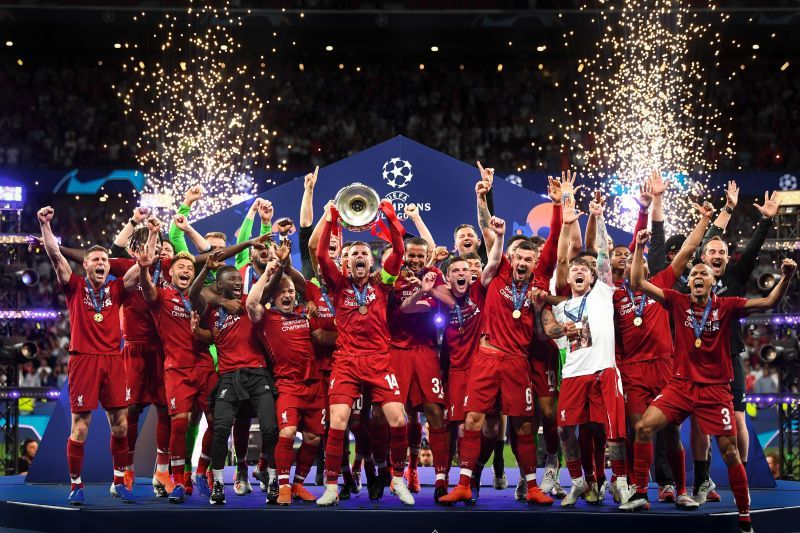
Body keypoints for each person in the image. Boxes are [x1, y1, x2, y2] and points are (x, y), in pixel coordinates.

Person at [623, 228, 796, 533]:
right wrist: (639, 248)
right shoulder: (676, 301)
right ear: (688, 282)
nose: (698, 276)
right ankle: (639, 492)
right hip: (680, 385)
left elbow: (768, 301)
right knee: (643, 427)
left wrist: (787, 277)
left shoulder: (727, 306)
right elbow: (637, 281)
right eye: (694, 274)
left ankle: (744, 513)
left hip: (716, 391)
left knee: (729, 450)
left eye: (704, 274)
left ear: (714, 282)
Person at [440, 216, 554, 506]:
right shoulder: (499, 271)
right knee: (474, 420)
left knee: (524, 426)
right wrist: (483, 202)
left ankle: (532, 487)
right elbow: (490, 239)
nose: (523, 263)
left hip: (518, 362)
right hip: (487, 358)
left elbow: (540, 334)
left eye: (530, 259)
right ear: (511, 258)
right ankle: (464, 484)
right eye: (519, 257)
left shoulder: (538, 287)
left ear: (534, 262)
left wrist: (542, 313)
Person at [314, 200, 415, 507]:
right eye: (355, 253)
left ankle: (397, 479)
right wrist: (332, 221)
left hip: (379, 360)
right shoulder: (338, 284)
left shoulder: (383, 284)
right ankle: (331, 486)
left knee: (399, 419)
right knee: (339, 420)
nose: (359, 256)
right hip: (346, 361)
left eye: (364, 254)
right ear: (347, 262)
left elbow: (398, 252)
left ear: (372, 263)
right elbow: (320, 254)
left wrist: (392, 219)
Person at [534, 196, 630, 507]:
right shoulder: (563, 307)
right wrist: (555, 319)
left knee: (613, 431)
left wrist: (598, 218)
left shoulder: (603, 293)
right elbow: (547, 329)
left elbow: (602, 255)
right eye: (574, 268)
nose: (578, 271)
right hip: (573, 373)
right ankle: (577, 481)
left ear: (592, 278)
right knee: (564, 431)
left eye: (584, 270)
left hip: (603, 370)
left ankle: (621, 483)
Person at [38, 205, 134, 506]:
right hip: (84, 359)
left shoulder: (117, 289)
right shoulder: (74, 286)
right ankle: (76, 485)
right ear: (85, 265)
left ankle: (120, 480)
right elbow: (55, 254)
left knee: (120, 423)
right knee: (80, 426)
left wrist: (149, 233)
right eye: (95, 259)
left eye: (105, 260)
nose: (102, 263)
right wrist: (45, 225)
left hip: (113, 360)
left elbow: (139, 267)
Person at [133, 227, 218, 504]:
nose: (185, 271)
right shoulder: (161, 296)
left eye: (189, 268)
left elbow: (213, 336)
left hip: (204, 367)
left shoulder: (201, 299)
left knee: (218, 422)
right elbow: (145, 289)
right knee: (178, 425)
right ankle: (179, 481)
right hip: (176, 370)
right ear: (171, 273)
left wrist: (199, 333)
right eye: (180, 267)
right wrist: (145, 269)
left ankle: (203, 470)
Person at [188, 250, 279, 506]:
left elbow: (271, 288)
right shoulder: (212, 310)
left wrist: (278, 266)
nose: (239, 283)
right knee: (219, 430)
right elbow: (196, 294)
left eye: (240, 280)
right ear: (219, 285)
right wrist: (208, 275)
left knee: (270, 428)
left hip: (258, 373)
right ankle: (217, 483)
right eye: (233, 281)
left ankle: (272, 480)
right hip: (228, 377)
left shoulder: (249, 300)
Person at [246, 245, 325, 506]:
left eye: (291, 291)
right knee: (288, 432)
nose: (288, 295)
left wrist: (285, 265)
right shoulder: (265, 318)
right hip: (287, 385)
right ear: (274, 296)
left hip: (314, 385)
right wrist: (270, 274)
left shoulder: (306, 315)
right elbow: (251, 302)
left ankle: (299, 484)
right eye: (282, 292)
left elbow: (305, 288)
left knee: (314, 438)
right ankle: (282, 487)